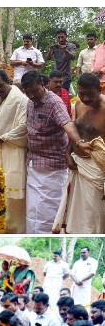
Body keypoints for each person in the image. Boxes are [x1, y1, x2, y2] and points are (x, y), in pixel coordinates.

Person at [22, 70, 88, 233]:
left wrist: (79, 142)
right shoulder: (30, 102)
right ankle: (33, 234)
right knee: (33, 208)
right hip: (34, 164)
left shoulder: (54, 102)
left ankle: (51, 234)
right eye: (27, 92)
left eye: (34, 91)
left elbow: (68, 124)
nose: (31, 95)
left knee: (49, 209)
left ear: (42, 85)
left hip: (53, 167)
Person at [54, 73, 105, 233]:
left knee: (93, 214)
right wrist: (68, 153)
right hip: (77, 166)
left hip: (97, 171)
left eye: (89, 94)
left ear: (99, 90)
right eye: (81, 93)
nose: (85, 98)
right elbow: (77, 131)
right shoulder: (78, 104)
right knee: (74, 213)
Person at [0, 70, 28, 233]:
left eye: (0, 86)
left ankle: (16, 228)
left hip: (14, 151)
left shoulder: (21, 100)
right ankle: (0, 224)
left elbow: (23, 127)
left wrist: (2, 138)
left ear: (9, 81)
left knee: (13, 193)